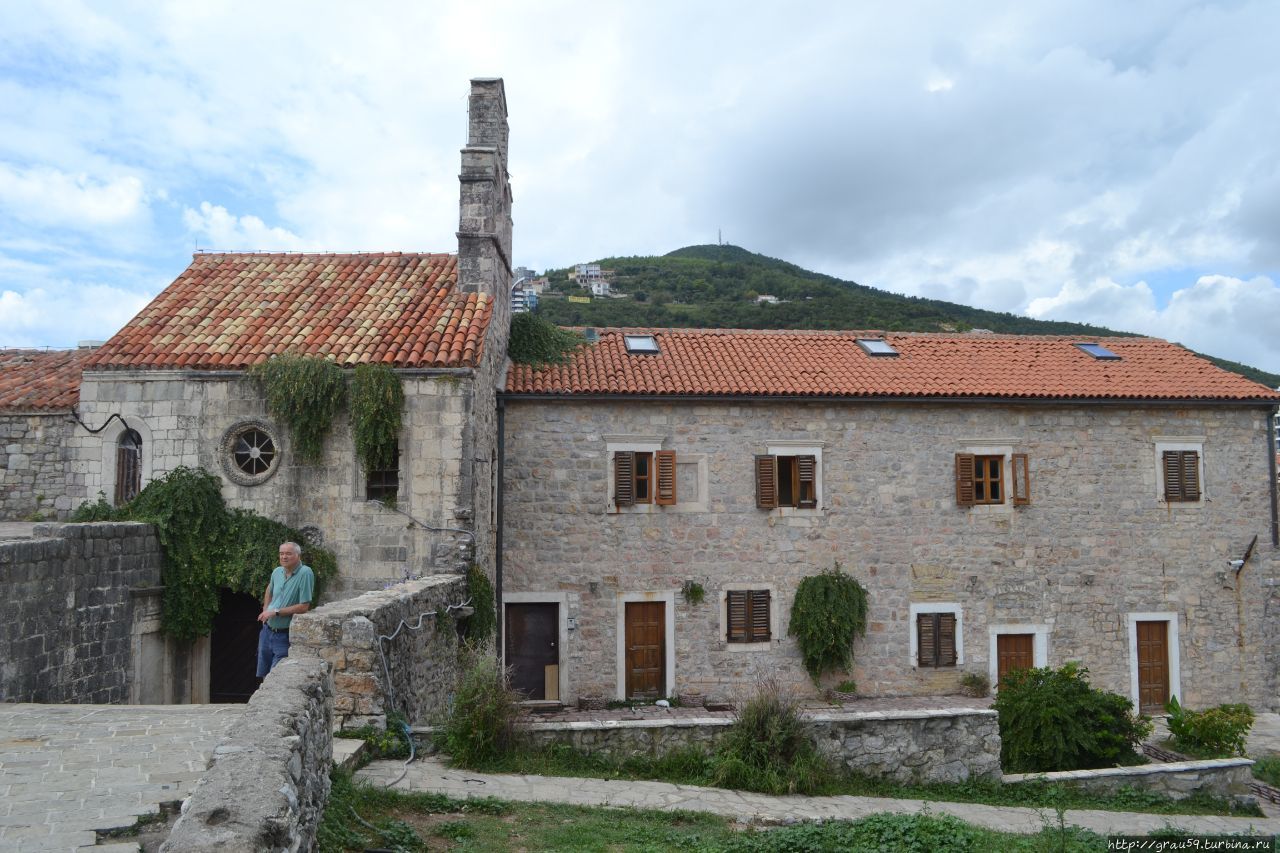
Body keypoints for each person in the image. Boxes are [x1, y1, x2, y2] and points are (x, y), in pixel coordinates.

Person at [256, 541, 315, 677]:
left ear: (298, 555)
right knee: (264, 675)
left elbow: (304, 606)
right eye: (281, 554)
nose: (284, 557)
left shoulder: (305, 573)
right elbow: (269, 589)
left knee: (276, 676)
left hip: (284, 635)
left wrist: (275, 612)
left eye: (288, 553)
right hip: (267, 631)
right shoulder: (277, 571)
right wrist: (266, 609)